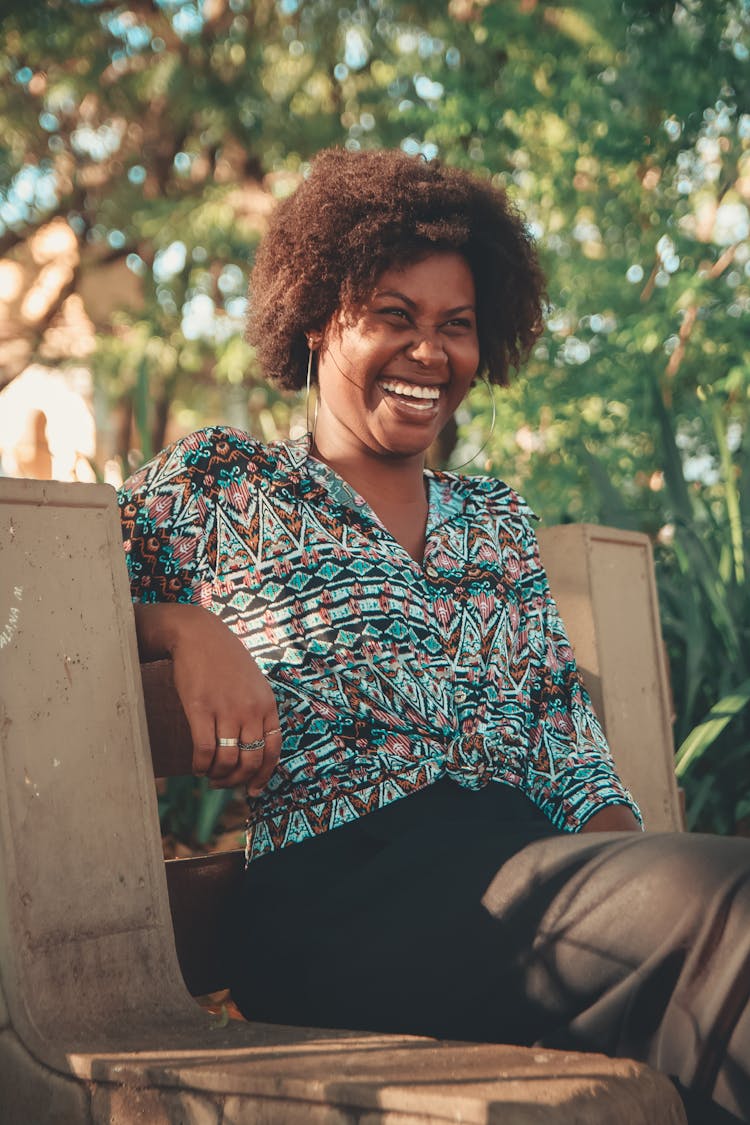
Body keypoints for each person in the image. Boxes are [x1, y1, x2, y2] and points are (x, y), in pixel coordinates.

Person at [118, 147, 749, 1124]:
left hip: (527, 883)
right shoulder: (223, 485)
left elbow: (563, 743)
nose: (431, 353)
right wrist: (180, 625)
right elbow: (38, 614)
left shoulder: (494, 518)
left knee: (712, 935)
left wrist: (632, 873)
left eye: (456, 326)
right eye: (395, 318)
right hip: (339, 899)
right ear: (322, 317)